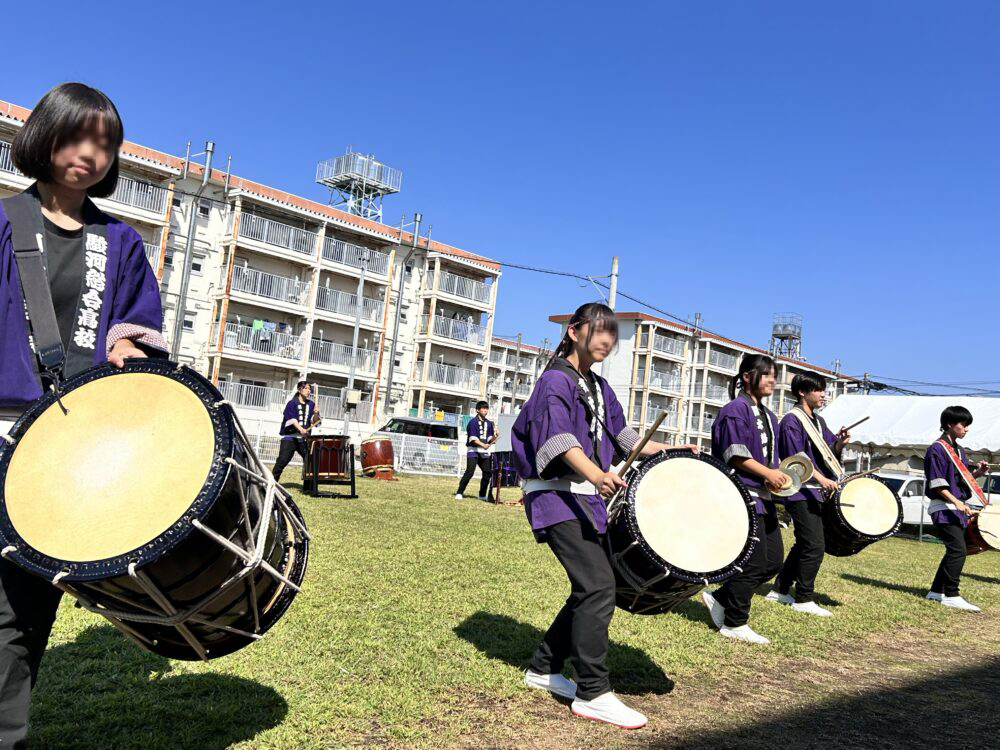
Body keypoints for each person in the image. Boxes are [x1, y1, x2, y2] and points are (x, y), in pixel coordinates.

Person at [0, 82, 166, 749]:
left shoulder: (120, 241)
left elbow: (137, 321)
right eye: (77, 136)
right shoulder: (7, 221)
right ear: (46, 135)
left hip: (71, 442)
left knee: (24, 600)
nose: (90, 153)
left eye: (106, 143)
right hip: (1, 423)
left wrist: (125, 342)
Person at [511, 302, 696, 729]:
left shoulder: (598, 387)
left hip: (585, 498)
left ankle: (543, 667)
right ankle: (592, 691)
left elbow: (626, 438)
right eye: (599, 330)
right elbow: (556, 441)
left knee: (592, 586)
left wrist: (671, 450)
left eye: (612, 334)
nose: (607, 340)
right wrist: (597, 474)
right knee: (598, 585)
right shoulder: (554, 382)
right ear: (574, 331)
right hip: (557, 496)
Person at [701, 353, 786, 645]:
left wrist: (778, 477)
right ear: (747, 376)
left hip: (764, 496)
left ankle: (721, 597)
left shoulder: (769, 415)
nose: (772, 381)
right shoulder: (734, 410)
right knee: (753, 562)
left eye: (774, 375)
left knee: (773, 562)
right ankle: (735, 622)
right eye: (766, 375)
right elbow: (735, 455)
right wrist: (768, 474)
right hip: (742, 494)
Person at [767, 373, 850, 617]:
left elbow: (828, 453)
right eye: (818, 390)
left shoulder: (819, 422)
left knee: (806, 543)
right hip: (800, 491)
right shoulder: (793, 421)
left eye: (824, 390)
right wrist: (822, 479)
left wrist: (840, 444)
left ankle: (780, 589)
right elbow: (797, 459)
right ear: (802, 392)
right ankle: (804, 597)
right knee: (814, 544)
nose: (823, 394)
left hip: (816, 493)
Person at [924, 405, 990, 612]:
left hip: (956, 508)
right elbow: (937, 482)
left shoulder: (959, 450)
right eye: (963, 424)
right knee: (958, 550)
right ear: (949, 424)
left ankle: (936, 591)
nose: (966, 429)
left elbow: (961, 481)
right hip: (943, 507)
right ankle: (951, 594)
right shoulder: (937, 449)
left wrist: (977, 473)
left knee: (955, 550)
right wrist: (957, 502)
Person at [272, 381, 321, 482]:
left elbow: (315, 422)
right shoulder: (292, 403)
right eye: (306, 388)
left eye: (309, 389)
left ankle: (309, 487)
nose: (308, 391)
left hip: (304, 439)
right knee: (282, 460)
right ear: (299, 390)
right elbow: (292, 419)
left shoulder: (311, 404)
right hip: (290, 437)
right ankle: (272, 482)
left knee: (310, 461)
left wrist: (316, 413)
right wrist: (301, 429)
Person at [455, 400, 497, 500]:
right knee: (470, 471)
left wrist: (495, 437)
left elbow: (489, 438)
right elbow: (473, 439)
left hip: (483, 452)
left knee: (487, 472)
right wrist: (483, 445)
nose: (485, 410)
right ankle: (459, 492)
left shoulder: (489, 423)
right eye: (483, 408)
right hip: (473, 450)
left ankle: (482, 495)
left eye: (487, 408)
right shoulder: (472, 423)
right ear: (477, 410)